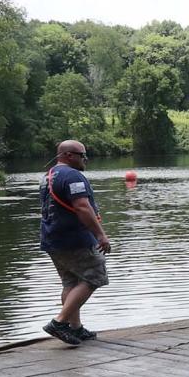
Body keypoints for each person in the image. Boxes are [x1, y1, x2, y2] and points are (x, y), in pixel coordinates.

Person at [40, 140, 111, 346]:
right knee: (94, 276)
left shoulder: (48, 176)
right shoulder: (72, 176)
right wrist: (100, 236)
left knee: (71, 282)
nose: (85, 159)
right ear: (69, 155)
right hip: (75, 239)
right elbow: (82, 207)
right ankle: (59, 322)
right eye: (83, 155)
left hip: (53, 239)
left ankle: (75, 328)